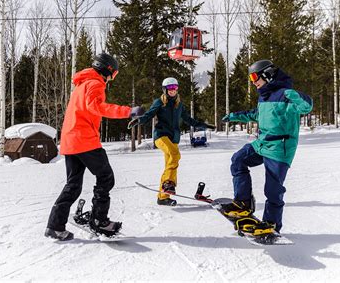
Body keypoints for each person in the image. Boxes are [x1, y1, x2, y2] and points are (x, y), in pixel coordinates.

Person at [45, 53, 145, 241]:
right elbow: (97, 107)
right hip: (84, 139)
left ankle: (55, 226)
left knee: (73, 185)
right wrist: (128, 111)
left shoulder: (81, 85)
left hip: (70, 141)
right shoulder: (95, 83)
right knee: (106, 177)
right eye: (113, 75)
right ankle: (99, 220)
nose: (111, 79)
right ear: (107, 70)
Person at [220, 59, 312, 234]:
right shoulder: (264, 95)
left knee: (273, 189)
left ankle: (271, 223)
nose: (253, 81)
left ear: (267, 75)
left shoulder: (286, 94)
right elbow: (256, 114)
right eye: (251, 78)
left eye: (255, 77)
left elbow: (306, 107)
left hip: (279, 147)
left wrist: (296, 96)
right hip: (262, 143)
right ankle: (243, 202)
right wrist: (234, 116)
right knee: (238, 159)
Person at [128, 77, 215, 206]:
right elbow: (149, 114)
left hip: (173, 138)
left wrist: (204, 126)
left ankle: (163, 197)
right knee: (175, 155)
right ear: (165, 89)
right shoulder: (159, 102)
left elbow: (189, 120)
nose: (173, 91)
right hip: (161, 136)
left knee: (171, 164)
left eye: (175, 88)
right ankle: (168, 184)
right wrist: (138, 120)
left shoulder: (179, 105)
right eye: (170, 88)